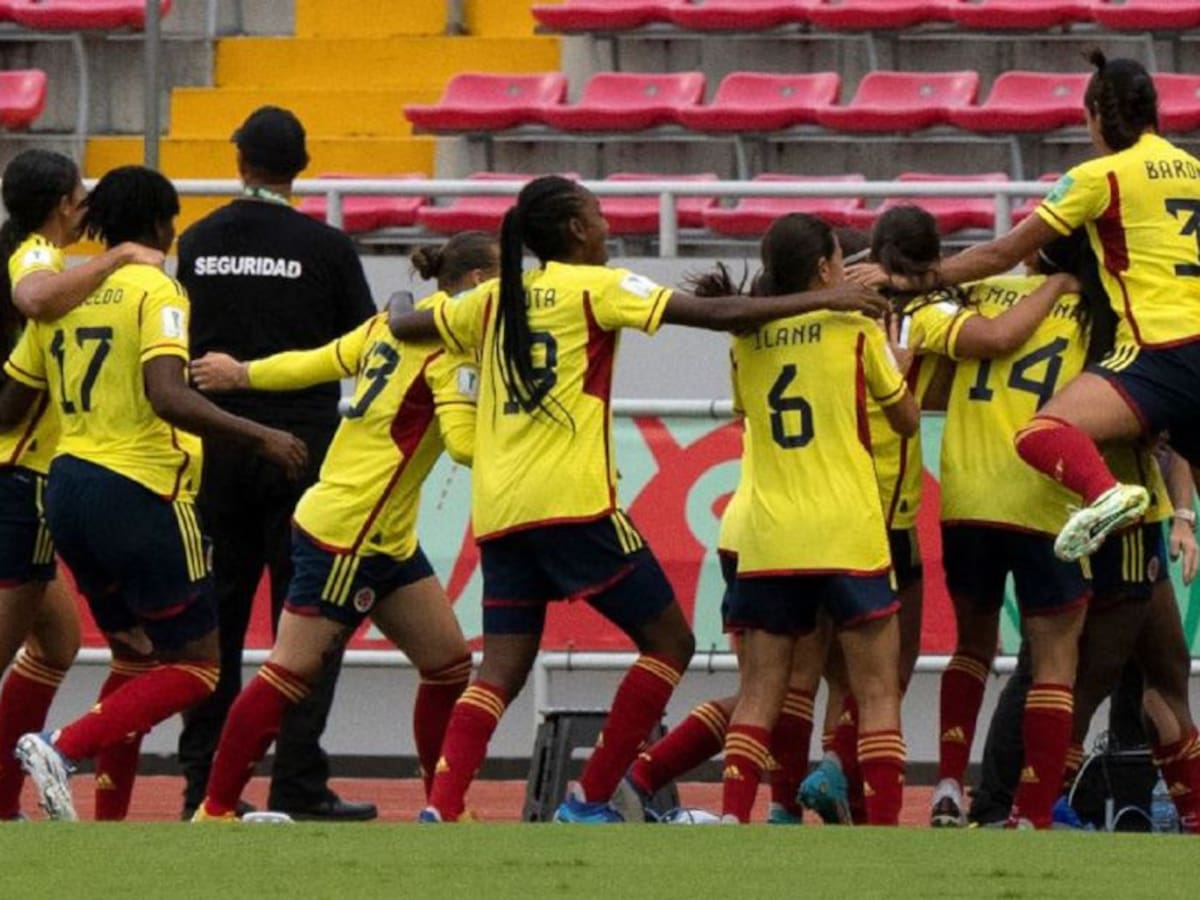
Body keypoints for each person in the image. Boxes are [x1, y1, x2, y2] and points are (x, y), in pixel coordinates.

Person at [389, 175, 889, 823]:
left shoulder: (489, 300)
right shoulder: (596, 287)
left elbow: (404, 324)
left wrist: (400, 290)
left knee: (502, 668)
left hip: (501, 509)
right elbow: (716, 316)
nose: (608, 226)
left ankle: (442, 807)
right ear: (574, 231)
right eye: (597, 216)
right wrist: (828, 298)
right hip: (575, 503)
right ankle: (590, 799)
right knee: (669, 642)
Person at [0, 165, 306, 820]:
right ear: (166, 224)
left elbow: (14, 401)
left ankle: (109, 822)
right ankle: (62, 746)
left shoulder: (64, 293)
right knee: (199, 667)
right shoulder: (153, 287)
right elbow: (167, 395)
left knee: (135, 655)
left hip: (67, 490)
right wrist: (262, 437)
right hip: (141, 491)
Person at [187, 233, 495, 820]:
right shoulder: (451, 353)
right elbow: (460, 445)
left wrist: (242, 373)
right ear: (481, 283)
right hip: (348, 532)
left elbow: (317, 361)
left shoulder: (388, 327)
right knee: (289, 671)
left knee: (449, 662)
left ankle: (443, 806)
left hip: (385, 535)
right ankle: (217, 808)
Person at [852, 52, 1200, 564]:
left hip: (1153, 351)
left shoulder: (1100, 176)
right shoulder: (1194, 170)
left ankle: (1104, 493)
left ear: (1097, 117)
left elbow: (1001, 254)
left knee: (1043, 433)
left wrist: (909, 277)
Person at [175, 105, 378, 821]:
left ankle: (203, 787)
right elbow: (364, 345)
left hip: (220, 450)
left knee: (215, 626)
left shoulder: (196, 242)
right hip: (305, 455)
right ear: (303, 166)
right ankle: (298, 782)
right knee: (309, 621)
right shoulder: (326, 246)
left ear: (239, 162)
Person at [869, 206, 1101, 829]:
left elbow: (942, 380)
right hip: (1047, 497)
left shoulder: (967, 289)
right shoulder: (1095, 309)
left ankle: (947, 783)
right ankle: (1030, 816)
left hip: (969, 495)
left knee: (971, 645)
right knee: (1055, 661)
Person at [722, 213, 919, 825]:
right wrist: (900, 363)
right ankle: (883, 833)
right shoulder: (854, 331)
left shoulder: (745, 338)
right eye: (837, 257)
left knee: (762, 690)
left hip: (773, 535)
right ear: (823, 269)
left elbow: (745, 417)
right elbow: (906, 419)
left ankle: (734, 816)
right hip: (847, 531)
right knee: (878, 689)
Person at [0, 149, 165, 820]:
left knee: (58, 644)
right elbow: (36, 299)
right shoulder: (36, 259)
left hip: (27, 475)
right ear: (64, 205)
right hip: (19, 480)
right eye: (79, 193)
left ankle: (5, 803)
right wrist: (119, 256)